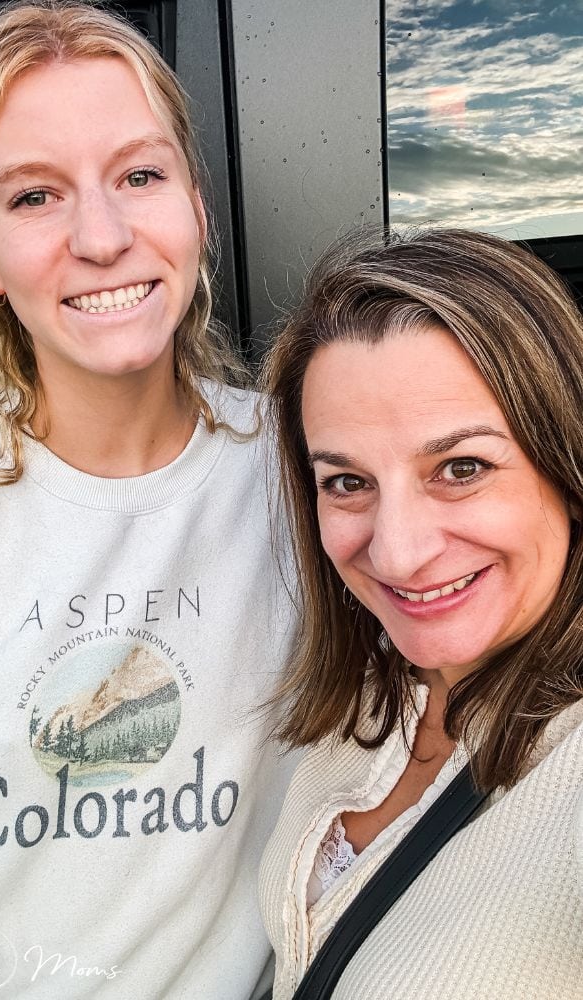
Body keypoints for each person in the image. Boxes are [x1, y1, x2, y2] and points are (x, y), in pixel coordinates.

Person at [0, 3, 296, 997]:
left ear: (195, 205)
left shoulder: (303, 479)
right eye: (36, 195)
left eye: (141, 176)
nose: (103, 236)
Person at [259, 227, 583, 999]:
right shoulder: (365, 689)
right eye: (347, 483)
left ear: (567, 465)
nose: (398, 554)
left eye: (461, 468)